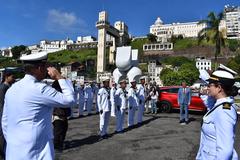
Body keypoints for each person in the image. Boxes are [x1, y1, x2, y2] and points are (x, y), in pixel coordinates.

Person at [1, 53, 75, 160]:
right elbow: (70, 100)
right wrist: (59, 77)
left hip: (14, 150)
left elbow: (5, 121)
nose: (47, 71)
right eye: (46, 67)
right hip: (35, 152)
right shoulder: (40, 89)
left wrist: (15, 141)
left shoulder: (12, 89)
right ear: (40, 68)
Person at [196, 65, 238, 160]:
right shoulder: (220, 104)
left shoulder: (224, 111)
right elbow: (209, 104)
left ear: (219, 88)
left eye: (210, 85)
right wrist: (204, 94)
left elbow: (225, 151)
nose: (208, 88)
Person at [52, 80, 71, 153]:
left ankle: (60, 143)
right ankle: (56, 146)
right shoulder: (56, 94)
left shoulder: (61, 93)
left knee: (63, 130)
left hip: (63, 115)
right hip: (58, 115)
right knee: (58, 131)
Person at [0, 72, 15, 159]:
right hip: (4, 115)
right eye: (12, 77)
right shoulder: (3, 88)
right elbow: (2, 104)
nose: (13, 79)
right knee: (3, 136)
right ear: (6, 77)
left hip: (8, 115)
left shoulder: (8, 87)